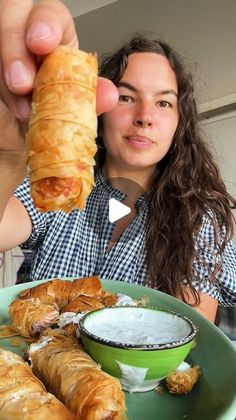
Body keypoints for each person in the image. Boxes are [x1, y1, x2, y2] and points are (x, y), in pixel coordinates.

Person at [0, 0, 235, 323]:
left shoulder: (201, 219)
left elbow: (184, 332)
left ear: (181, 122)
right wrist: (7, 155)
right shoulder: (59, 188)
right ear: (99, 107)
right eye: (127, 97)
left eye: (164, 102)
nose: (145, 117)